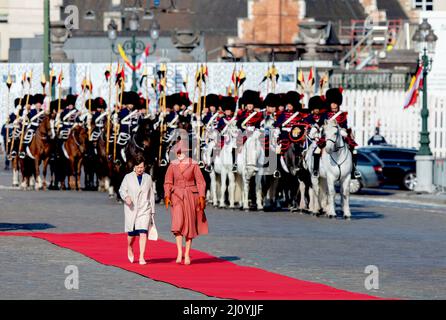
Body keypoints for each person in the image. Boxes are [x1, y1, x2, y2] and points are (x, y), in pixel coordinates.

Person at [164, 139, 208, 265]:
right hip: (176, 195)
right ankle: (179, 253)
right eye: (178, 152)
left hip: (190, 196)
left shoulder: (194, 164)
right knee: (177, 225)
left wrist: (201, 197)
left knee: (189, 226)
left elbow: (200, 181)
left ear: (187, 152)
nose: (180, 154)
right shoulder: (172, 164)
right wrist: (167, 195)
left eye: (182, 152)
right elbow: (168, 181)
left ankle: (187, 254)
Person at [119, 154, 155, 265]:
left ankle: (141, 257)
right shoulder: (128, 177)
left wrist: (152, 211)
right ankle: (129, 247)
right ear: (134, 167)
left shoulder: (148, 178)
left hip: (144, 209)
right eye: (138, 167)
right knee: (132, 235)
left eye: (142, 167)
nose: (140, 169)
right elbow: (122, 190)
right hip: (132, 209)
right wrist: (126, 197)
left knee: (143, 232)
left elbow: (151, 195)